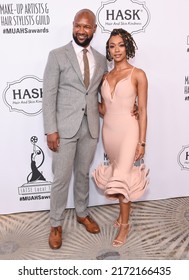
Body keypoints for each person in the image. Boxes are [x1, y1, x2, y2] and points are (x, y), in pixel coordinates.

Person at [43, 9, 138, 250]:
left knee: (83, 174)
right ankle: (56, 223)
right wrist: (50, 130)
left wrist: (131, 108)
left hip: (90, 128)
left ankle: (82, 213)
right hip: (64, 128)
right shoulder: (57, 55)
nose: (82, 31)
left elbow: (107, 93)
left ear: (94, 29)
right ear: (73, 26)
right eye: (79, 26)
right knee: (61, 178)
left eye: (87, 27)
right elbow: (49, 95)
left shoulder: (100, 58)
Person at [92, 28, 149, 247]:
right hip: (109, 132)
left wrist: (142, 141)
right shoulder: (105, 76)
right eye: (112, 46)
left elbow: (142, 110)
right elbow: (104, 109)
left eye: (121, 45)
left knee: (123, 176)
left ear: (128, 47)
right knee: (116, 173)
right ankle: (122, 215)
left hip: (129, 132)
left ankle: (125, 226)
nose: (116, 50)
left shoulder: (138, 74)